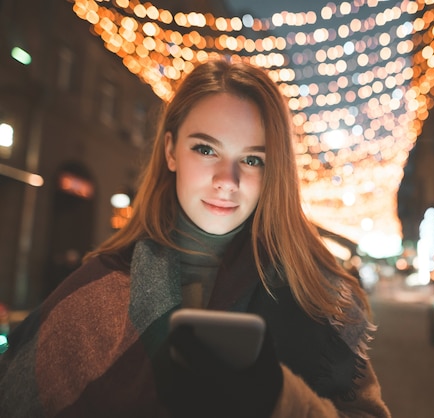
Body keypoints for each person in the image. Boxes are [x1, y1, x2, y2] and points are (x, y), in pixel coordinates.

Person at [0, 58, 391, 418]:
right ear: (171, 150)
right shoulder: (96, 291)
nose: (227, 180)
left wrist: (280, 398)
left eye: (252, 159)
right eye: (206, 149)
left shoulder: (319, 295)